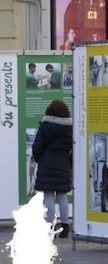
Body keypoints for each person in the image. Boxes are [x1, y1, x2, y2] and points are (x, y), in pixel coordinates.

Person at [31, 99, 73, 238]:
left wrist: (38, 158)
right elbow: (73, 147)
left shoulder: (45, 126)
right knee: (62, 195)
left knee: (48, 195)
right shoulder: (69, 127)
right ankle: (65, 226)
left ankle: (50, 226)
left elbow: (38, 146)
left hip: (47, 164)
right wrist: (69, 162)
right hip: (63, 164)